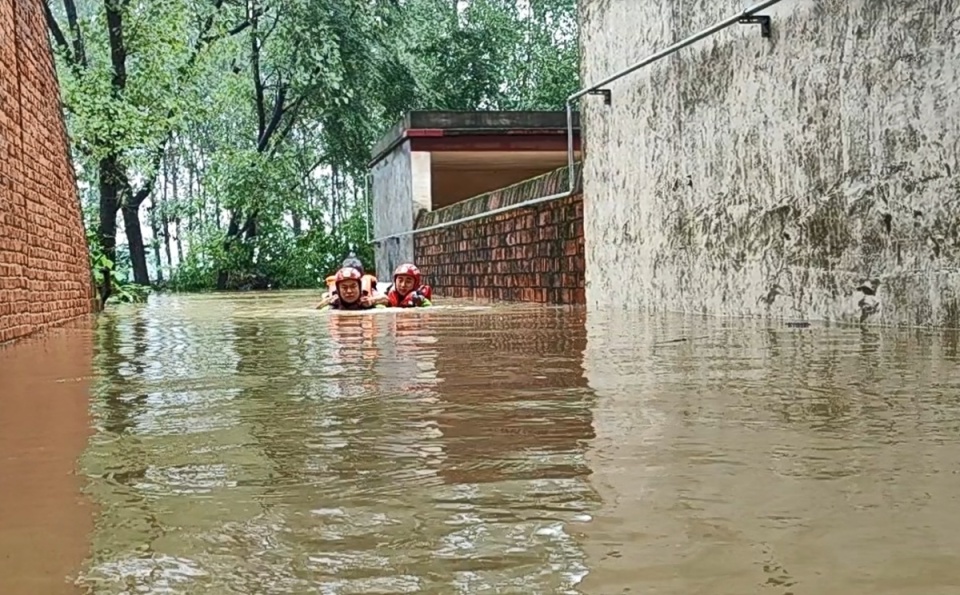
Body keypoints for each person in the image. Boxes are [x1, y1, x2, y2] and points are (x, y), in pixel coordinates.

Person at [318, 267, 383, 310]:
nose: (349, 291)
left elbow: (386, 299)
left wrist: (372, 301)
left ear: (359, 287)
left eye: (353, 286)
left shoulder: (368, 295)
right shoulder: (333, 300)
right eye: (344, 287)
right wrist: (327, 302)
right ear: (338, 290)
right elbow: (317, 309)